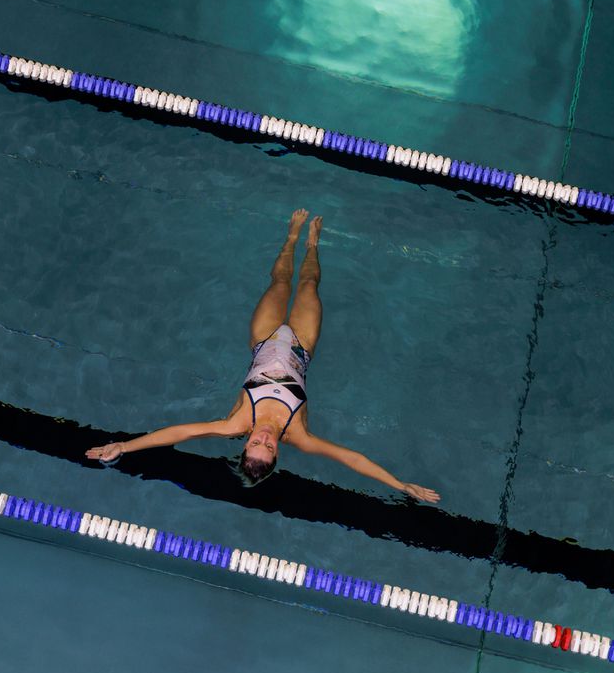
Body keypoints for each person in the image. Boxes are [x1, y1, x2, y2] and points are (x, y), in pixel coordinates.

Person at [86, 209, 441, 503]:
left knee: (279, 285)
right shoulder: (298, 434)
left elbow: (179, 432)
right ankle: (314, 243)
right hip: (301, 344)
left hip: (264, 339)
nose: (264, 438)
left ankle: (291, 238)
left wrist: (124, 445)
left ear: (246, 445)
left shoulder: (235, 424)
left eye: (255, 444)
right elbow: (352, 459)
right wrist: (401, 486)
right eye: (268, 447)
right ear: (277, 454)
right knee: (308, 286)